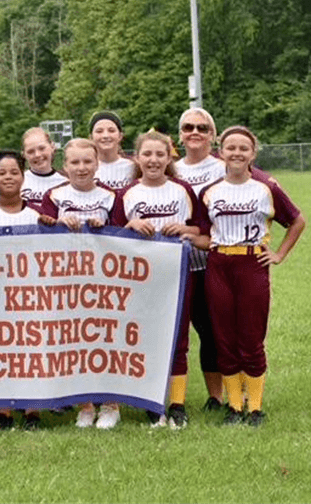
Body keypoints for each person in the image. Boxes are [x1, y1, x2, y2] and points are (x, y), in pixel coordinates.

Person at [188, 126, 307, 427]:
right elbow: (205, 236)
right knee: (224, 337)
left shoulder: (266, 187)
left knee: (252, 338)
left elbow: (297, 220)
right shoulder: (210, 192)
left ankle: (255, 408)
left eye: (244, 148)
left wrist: (278, 254)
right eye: (231, 147)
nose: (237, 153)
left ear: (253, 153)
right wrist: (179, 235)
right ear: (221, 151)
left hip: (252, 265)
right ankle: (234, 407)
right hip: (219, 264)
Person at [110, 130, 207, 429]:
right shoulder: (125, 194)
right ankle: (152, 402)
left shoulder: (182, 190)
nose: (153, 160)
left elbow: (204, 232)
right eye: (147, 154)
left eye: (159, 154)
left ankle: (177, 404)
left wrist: (186, 230)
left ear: (169, 157)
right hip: (138, 279)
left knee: (178, 340)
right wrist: (128, 225)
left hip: (178, 274)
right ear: (137, 158)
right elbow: (108, 239)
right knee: (145, 340)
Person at [0, 149, 56, 431]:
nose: (8, 177)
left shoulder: (39, 215)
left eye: (14, 172)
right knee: (2, 352)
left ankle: (32, 410)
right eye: (2, 173)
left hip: (32, 295)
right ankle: (4, 411)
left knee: (31, 351)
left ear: (24, 176)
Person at [39, 138, 120, 429]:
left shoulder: (111, 196)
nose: (81, 167)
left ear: (97, 163)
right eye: (75, 162)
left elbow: (126, 236)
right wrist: (60, 224)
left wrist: (107, 229)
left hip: (105, 280)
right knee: (74, 341)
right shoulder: (54, 195)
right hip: (67, 279)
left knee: (106, 340)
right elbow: (40, 234)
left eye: (88, 161)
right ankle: (84, 404)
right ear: (65, 166)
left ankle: (111, 404)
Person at [173, 107, 228, 412]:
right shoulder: (172, 169)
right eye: (188, 127)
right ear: (180, 134)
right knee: (179, 333)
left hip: (213, 264)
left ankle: (218, 396)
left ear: (212, 134)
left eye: (202, 128)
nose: (195, 132)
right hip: (177, 266)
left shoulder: (222, 167)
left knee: (212, 331)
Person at [20, 126, 68, 209]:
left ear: (52, 146)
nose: (37, 155)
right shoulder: (19, 182)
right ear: (24, 154)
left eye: (42, 148)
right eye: (31, 151)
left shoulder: (66, 183)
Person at [88, 111, 136, 192]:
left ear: (120, 136)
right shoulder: (85, 168)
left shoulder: (134, 168)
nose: (106, 135)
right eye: (99, 131)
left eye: (111, 131)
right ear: (91, 137)